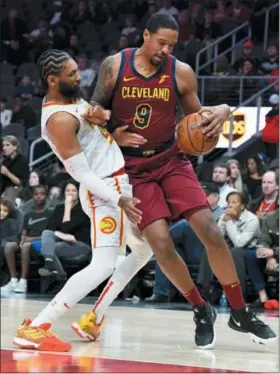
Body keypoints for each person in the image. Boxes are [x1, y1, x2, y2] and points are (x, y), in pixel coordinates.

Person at [80, 13, 276, 348]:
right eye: (161, 43)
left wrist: (224, 110)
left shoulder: (179, 71)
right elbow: (90, 114)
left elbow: (198, 121)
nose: (166, 50)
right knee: (160, 244)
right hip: (132, 169)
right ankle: (201, 309)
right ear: (145, 35)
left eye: (172, 44)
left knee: (210, 230)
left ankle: (240, 312)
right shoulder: (115, 65)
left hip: (172, 160)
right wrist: (113, 132)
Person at [13, 49, 149, 352]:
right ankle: (37, 327)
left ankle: (94, 317)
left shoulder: (72, 99)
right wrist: (119, 199)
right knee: (102, 265)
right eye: (72, 73)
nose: (79, 76)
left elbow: (94, 130)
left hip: (115, 184)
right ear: (52, 80)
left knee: (145, 249)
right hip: (104, 191)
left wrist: (114, 132)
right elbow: (83, 174)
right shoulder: (59, 119)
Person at [38, 179, 91, 279]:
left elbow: (67, 228)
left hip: (80, 244)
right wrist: (63, 236)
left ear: (79, 192)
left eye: (74, 190)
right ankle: (54, 268)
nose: (70, 193)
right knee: (46, 233)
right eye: (68, 190)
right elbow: (50, 229)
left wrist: (67, 207)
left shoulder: (84, 209)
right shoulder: (59, 208)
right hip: (63, 241)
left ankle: (57, 272)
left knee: (48, 248)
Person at [4, 185, 52, 293]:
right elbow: (24, 231)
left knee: (26, 246)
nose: (39, 197)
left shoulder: (50, 213)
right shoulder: (28, 214)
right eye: (36, 194)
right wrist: (22, 239)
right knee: (9, 246)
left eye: (42, 194)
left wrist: (29, 239)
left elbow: (49, 235)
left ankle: (23, 282)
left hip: (42, 242)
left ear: (47, 196)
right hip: (28, 240)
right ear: (32, 196)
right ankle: (13, 280)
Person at [1, 136, 29, 202]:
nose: (4, 148)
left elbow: (21, 183)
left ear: (15, 147)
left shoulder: (22, 161)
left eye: (7, 145)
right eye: (3, 145)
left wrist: (7, 173)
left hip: (16, 191)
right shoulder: (4, 160)